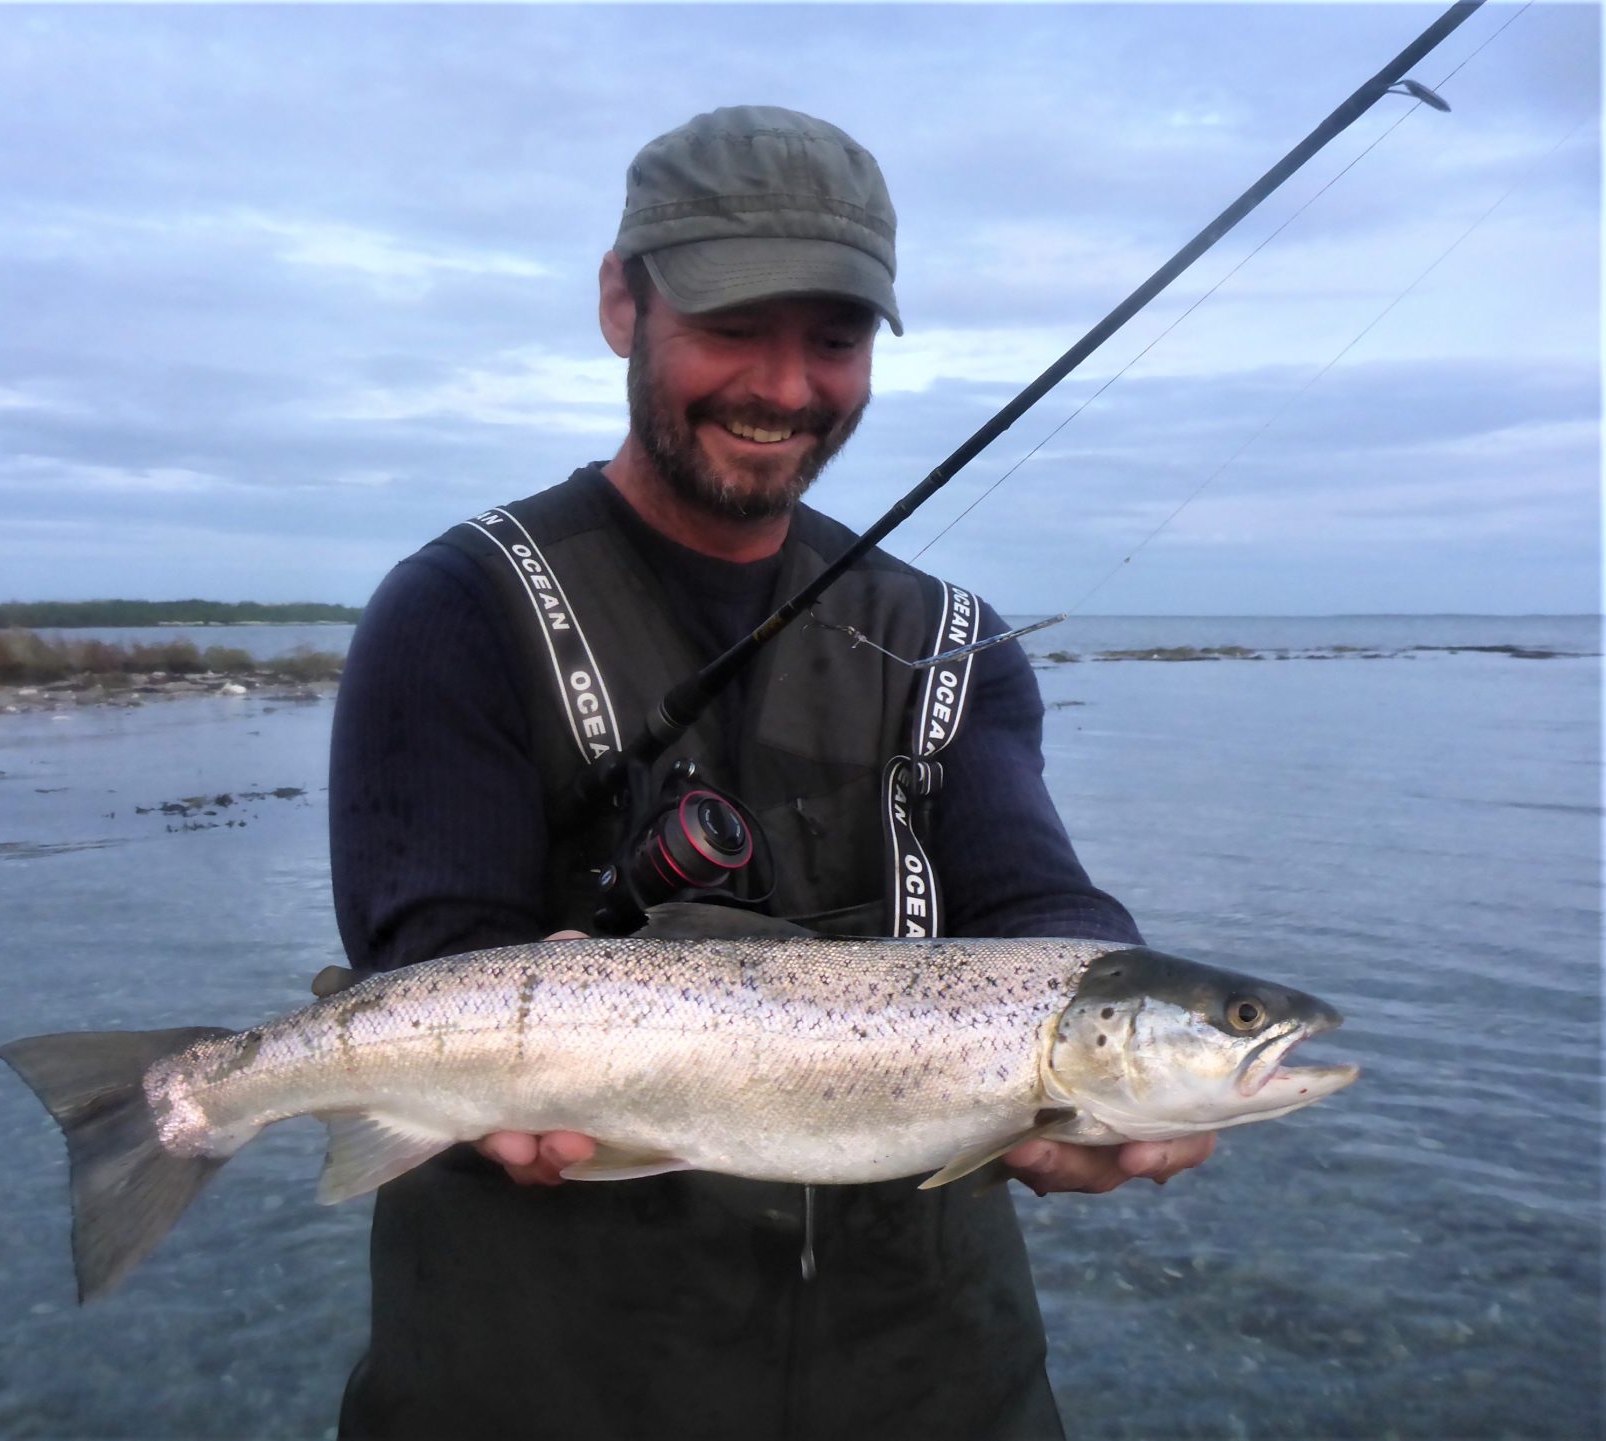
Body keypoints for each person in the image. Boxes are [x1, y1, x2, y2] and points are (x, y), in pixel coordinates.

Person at [328, 105, 1213, 1441]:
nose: (787, 388)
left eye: (836, 340)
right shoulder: (454, 613)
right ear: (625, 302)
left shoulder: (953, 644)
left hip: (937, 1387)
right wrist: (508, 1071)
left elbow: (1037, 895)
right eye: (737, 326)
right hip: (541, 1386)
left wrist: (1135, 1039)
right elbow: (431, 945)